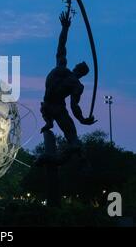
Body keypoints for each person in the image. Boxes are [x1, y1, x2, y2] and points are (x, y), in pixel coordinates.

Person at [40, 11, 97, 160]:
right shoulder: (67, 74)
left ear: (79, 69)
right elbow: (74, 107)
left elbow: (61, 45)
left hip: (52, 105)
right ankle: (50, 123)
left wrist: (65, 28)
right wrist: (82, 119)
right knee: (72, 136)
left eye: (78, 65)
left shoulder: (65, 71)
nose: (77, 64)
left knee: (72, 135)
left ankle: (50, 124)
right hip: (53, 106)